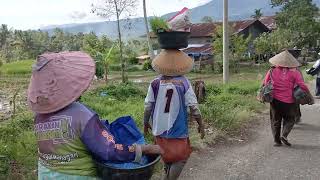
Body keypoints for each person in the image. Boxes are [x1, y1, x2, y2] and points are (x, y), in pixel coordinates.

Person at [27, 51, 162, 180]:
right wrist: (145, 149)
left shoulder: (39, 116)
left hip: (46, 174)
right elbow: (109, 151)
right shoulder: (81, 114)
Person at [143, 49, 205, 180]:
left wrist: (145, 123)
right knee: (180, 158)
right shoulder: (184, 82)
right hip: (178, 131)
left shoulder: (154, 83)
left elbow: (148, 107)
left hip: (159, 130)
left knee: (166, 157)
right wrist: (201, 125)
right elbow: (194, 108)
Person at [263, 50, 312, 147]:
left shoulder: (272, 71)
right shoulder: (295, 72)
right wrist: (308, 93)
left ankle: (277, 141)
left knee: (275, 120)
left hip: (275, 100)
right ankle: (284, 135)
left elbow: (265, 83)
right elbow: (301, 85)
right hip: (289, 101)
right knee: (290, 119)